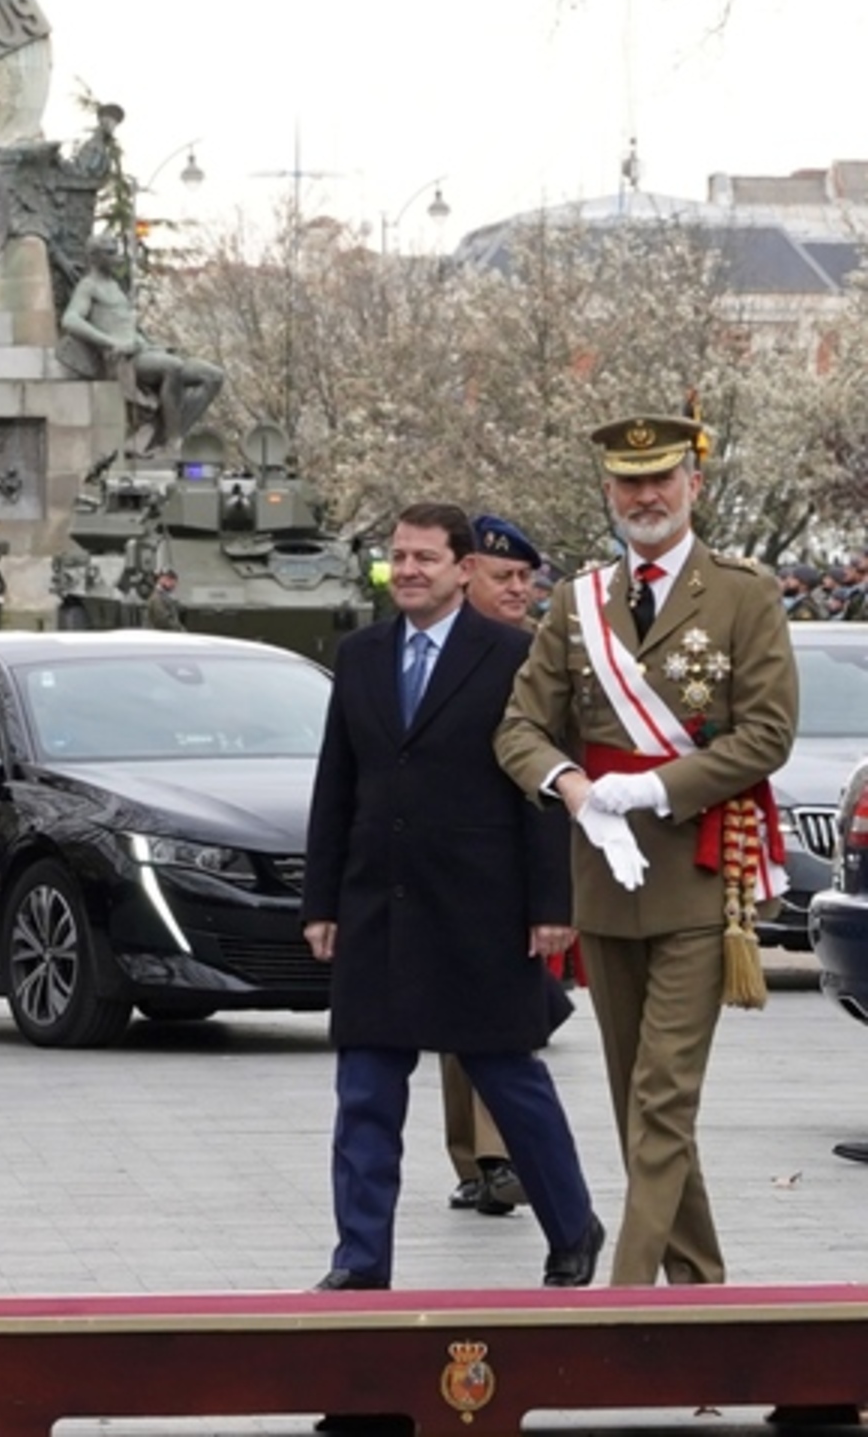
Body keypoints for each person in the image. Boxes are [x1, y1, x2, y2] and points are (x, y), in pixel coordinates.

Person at [496, 413, 798, 1286]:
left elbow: (768, 734)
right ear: (608, 492)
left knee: (663, 1097)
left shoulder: (743, 592)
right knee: (642, 1104)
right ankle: (702, 1296)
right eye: (629, 483)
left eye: (661, 479)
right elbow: (520, 725)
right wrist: (574, 787)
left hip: (704, 876)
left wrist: (655, 787)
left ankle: (623, 1303)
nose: (646, 496)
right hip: (604, 875)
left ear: (692, 485)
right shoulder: (575, 601)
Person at [302, 500, 604, 1292]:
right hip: (376, 911)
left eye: (424, 558)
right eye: (397, 557)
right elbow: (337, 784)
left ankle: (572, 1226)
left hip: (480, 911)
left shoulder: (513, 655)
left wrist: (552, 903)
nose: (406, 570)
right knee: (364, 1093)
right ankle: (360, 1262)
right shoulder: (361, 654)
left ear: (462, 569)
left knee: (510, 1080)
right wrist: (321, 902)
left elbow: (543, 782)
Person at [441, 512, 566, 1218]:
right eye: (505, 576)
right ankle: (478, 1158)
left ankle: (496, 1157)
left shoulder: (537, 653)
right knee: (466, 1011)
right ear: (467, 575)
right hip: (452, 857)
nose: (520, 588)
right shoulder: (439, 650)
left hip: (513, 855)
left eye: (527, 576)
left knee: (497, 1013)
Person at [60, 236, 223, 450]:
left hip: (144, 351)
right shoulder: (88, 286)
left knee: (212, 376)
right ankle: (174, 442)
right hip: (123, 361)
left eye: (115, 252)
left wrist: (154, 344)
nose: (116, 258)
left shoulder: (116, 286)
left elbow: (127, 326)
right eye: (109, 253)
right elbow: (70, 320)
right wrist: (110, 343)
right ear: (94, 257)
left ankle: (168, 434)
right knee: (172, 367)